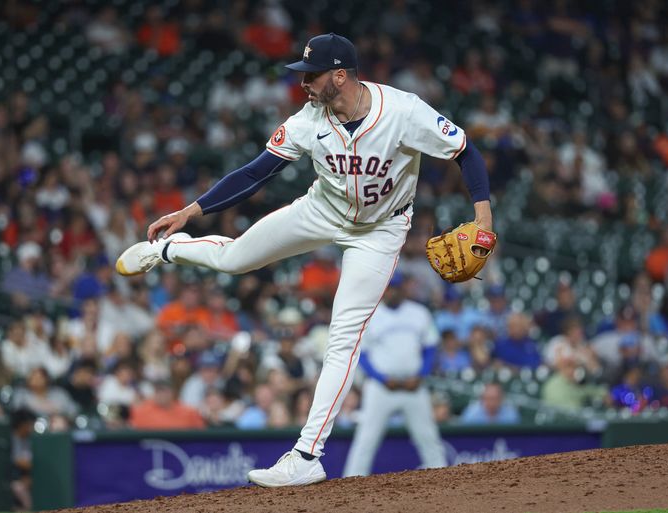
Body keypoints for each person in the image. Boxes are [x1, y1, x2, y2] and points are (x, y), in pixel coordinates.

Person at [116, 33, 493, 487]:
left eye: (311, 75)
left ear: (340, 75)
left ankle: (307, 455)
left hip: (381, 230)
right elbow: (256, 172)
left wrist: (483, 219)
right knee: (235, 259)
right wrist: (191, 211)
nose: (303, 84)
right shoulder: (308, 120)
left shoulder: (404, 111)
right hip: (321, 210)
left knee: (344, 338)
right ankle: (166, 251)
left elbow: (465, 150)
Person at [342, 273, 445, 477]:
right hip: (382, 387)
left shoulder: (419, 312)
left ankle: (444, 479)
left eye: (396, 287)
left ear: (403, 289)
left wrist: (421, 374)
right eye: (389, 288)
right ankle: (351, 482)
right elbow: (361, 355)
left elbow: (431, 347)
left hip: (413, 386)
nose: (392, 291)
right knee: (366, 439)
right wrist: (380, 378)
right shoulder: (371, 315)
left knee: (428, 437)